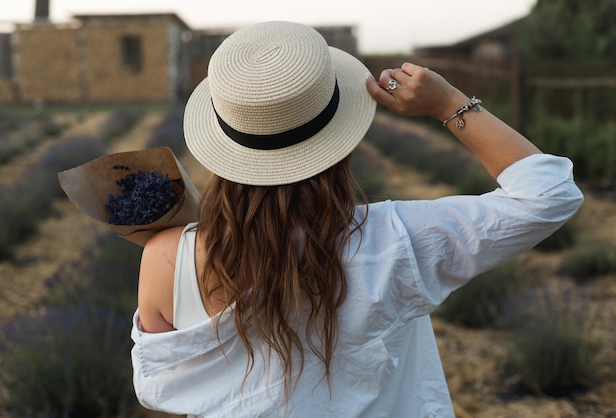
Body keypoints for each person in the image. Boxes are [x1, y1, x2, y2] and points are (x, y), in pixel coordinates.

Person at [131, 21, 583, 417]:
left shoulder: (165, 257)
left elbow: (162, 390)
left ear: (226, 143)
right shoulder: (395, 240)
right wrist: (450, 104)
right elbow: (548, 194)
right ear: (341, 141)